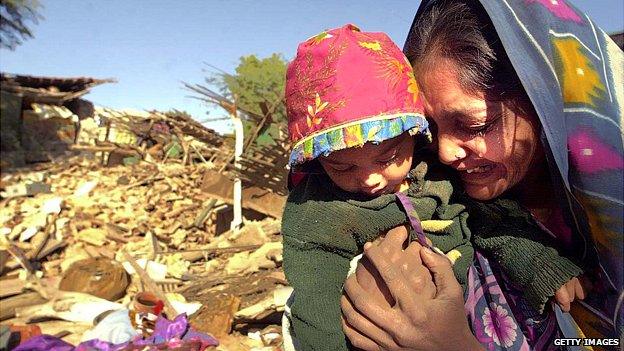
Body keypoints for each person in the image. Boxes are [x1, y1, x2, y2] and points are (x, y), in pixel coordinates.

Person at [282, 24, 587, 351]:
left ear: (412, 134)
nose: (370, 179)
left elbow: (492, 220)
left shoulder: (435, 172)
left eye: (387, 157)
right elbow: (315, 303)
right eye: (342, 167)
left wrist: (542, 266)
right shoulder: (317, 213)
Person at [341, 0, 623, 350]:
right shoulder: (443, 207)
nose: (445, 152)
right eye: (430, 128)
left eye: (474, 125)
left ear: (545, 101)